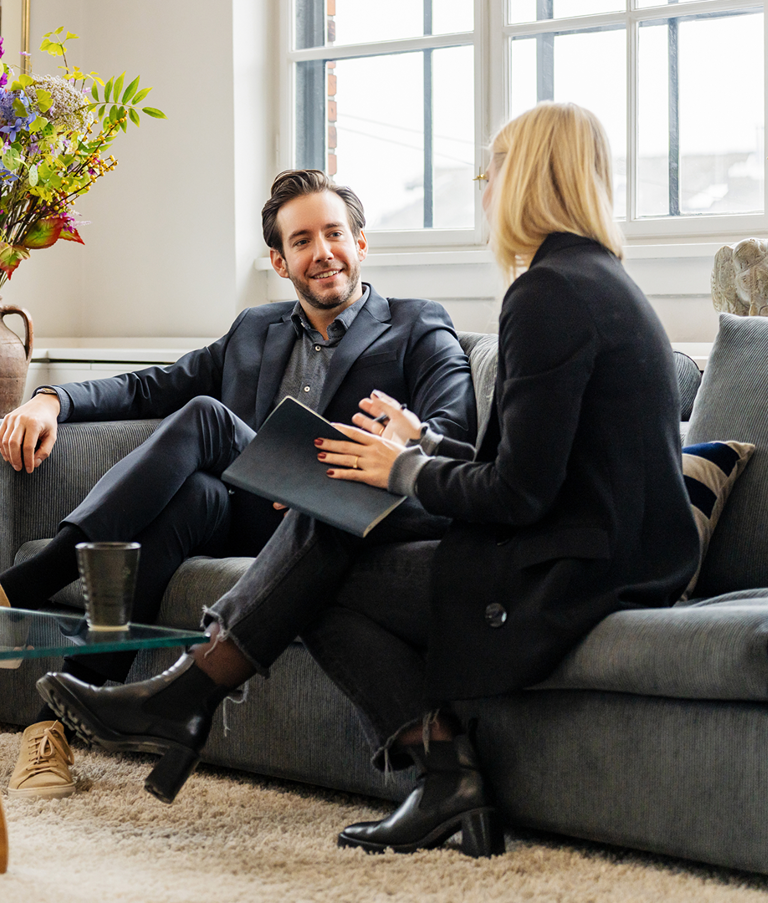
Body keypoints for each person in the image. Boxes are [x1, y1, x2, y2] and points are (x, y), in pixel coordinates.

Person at [36, 102, 700, 858]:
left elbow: (518, 493)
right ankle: (408, 764)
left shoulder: (546, 293)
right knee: (332, 520)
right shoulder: (591, 280)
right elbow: (522, 464)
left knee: (323, 546)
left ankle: (198, 699)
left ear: (528, 179)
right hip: (604, 551)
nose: (486, 191)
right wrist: (419, 443)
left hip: (571, 569)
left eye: (494, 171)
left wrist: (404, 466)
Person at [0, 169, 476, 800]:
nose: (323, 251)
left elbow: (450, 433)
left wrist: (391, 448)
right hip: (256, 516)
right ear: (281, 261)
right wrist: (52, 398)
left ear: (361, 243)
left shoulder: (416, 325)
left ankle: (21, 587)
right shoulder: (256, 329)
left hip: (338, 521)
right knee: (191, 499)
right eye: (303, 241)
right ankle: (52, 732)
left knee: (206, 418)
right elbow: (151, 386)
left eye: (335, 233)